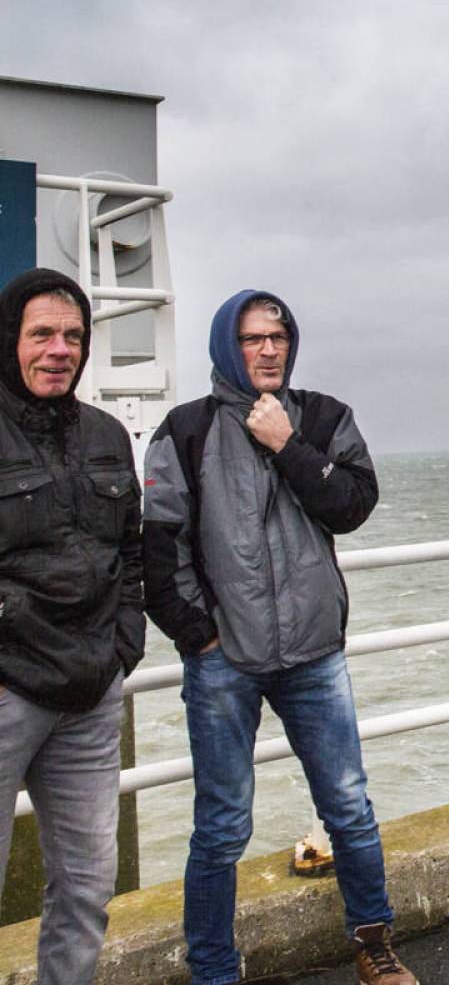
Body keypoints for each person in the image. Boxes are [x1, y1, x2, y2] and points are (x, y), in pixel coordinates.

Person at [143, 290, 417, 985]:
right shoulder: (185, 430)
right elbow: (160, 550)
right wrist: (201, 638)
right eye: (252, 338)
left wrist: (289, 446)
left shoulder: (323, 417)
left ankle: (374, 944)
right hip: (224, 662)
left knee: (349, 808)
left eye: (279, 336)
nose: (269, 349)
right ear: (225, 346)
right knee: (221, 827)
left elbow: (352, 506)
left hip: (314, 653)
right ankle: (213, 970)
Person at [0, 269, 145, 985]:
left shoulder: (107, 435)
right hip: (8, 691)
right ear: (10, 340)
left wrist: (123, 645)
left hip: (91, 695)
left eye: (73, 336)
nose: (59, 350)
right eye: (42, 335)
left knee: (87, 888)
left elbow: (132, 551)